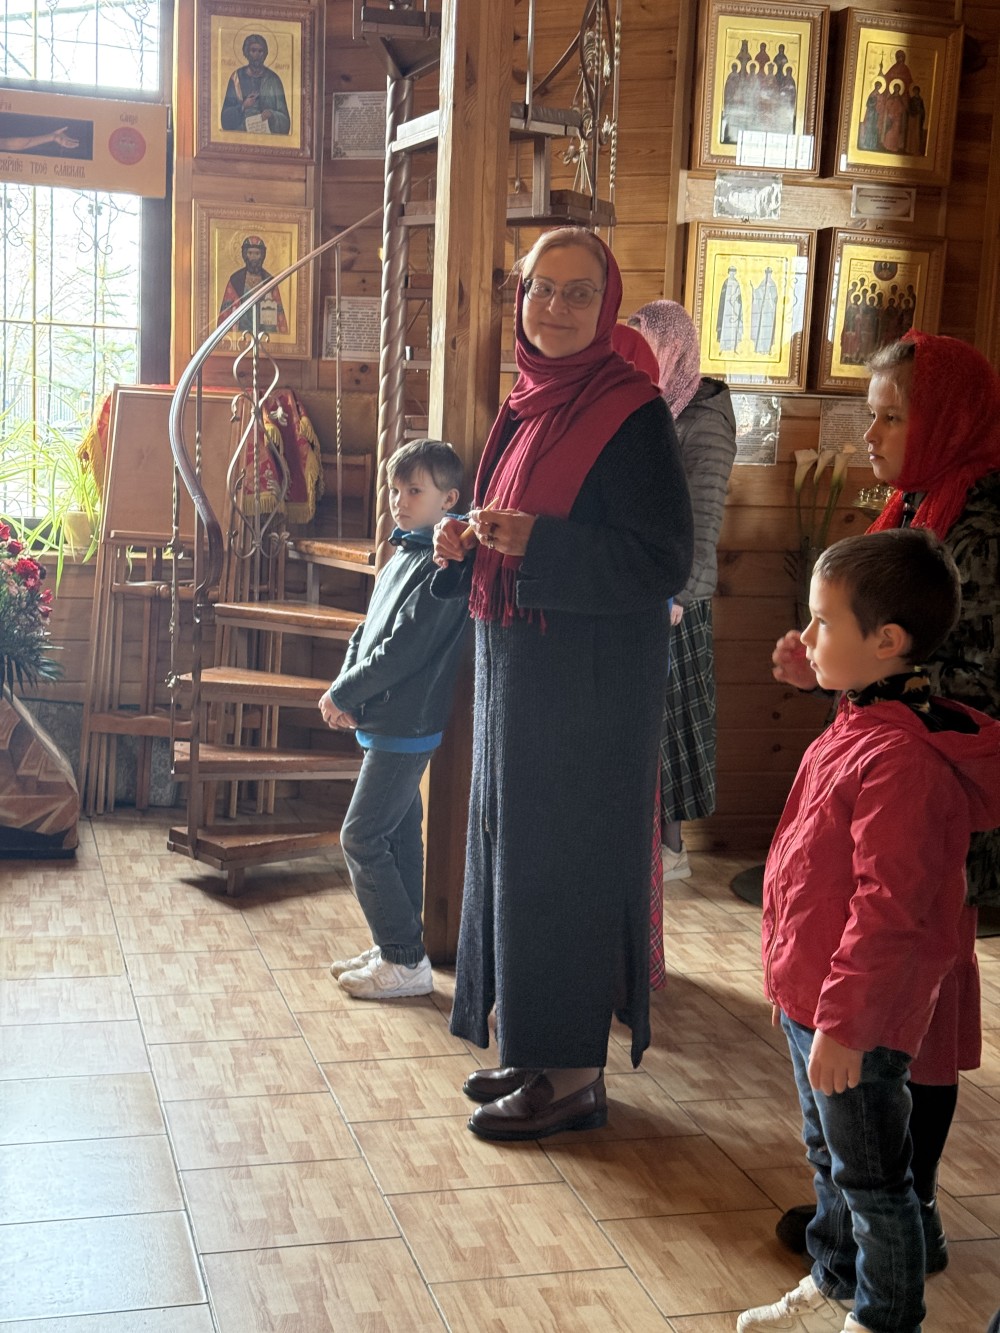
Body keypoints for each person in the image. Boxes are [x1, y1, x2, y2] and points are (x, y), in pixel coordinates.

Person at [432, 226, 693, 1141]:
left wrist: (539, 542)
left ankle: (575, 1077)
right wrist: (465, 537)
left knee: (566, 865)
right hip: (520, 666)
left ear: (607, 305)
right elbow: (508, 515)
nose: (556, 307)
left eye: (580, 292)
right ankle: (535, 1048)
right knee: (515, 857)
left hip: (589, 690)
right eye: (542, 288)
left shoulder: (632, 411)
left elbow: (663, 559)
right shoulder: (526, 397)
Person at [771, 330, 1000, 1269]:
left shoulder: (983, 528)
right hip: (894, 764)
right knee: (901, 1008)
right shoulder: (910, 504)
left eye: (891, 416)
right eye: (872, 415)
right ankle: (862, 1208)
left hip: (942, 789)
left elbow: (960, 682)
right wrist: (824, 669)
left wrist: (862, 681)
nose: (870, 435)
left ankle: (905, 1210)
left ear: (943, 420)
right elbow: (884, 658)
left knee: (920, 1014)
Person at [741, 528, 1000, 1333]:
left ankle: (884, 1317)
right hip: (815, 995)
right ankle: (836, 1277)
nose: (806, 634)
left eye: (822, 622)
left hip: (860, 1014)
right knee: (828, 1156)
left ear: (886, 641)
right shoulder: (865, 717)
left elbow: (890, 909)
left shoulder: (903, 761)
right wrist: (795, 984)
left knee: (875, 1181)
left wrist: (846, 1023)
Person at [319, 440, 470, 1000]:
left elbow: (403, 650)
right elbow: (367, 631)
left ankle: (404, 957)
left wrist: (344, 692)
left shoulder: (443, 565)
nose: (399, 501)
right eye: (394, 489)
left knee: (360, 837)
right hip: (384, 716)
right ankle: (400, 949)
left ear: (449, 499)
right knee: (401, 836)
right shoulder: (404, 552)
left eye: (414, 491)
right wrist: (344, 687)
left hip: (408, 722)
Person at [628, 300, 737, 883]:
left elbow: (705, 517)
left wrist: (678, 598)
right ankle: (655, 846)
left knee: (670, 724)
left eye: (651, 350)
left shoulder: (706, 418)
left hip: (677, 599)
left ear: (674, 351)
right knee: (650, 722)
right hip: (648, 586)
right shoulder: (659, 405)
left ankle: (672, 851)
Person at [220, 33, 290, 135]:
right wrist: (243, 106)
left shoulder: (274, 80)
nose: (257, 55)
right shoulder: (236, 77)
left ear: (265, 54)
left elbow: (285, 122)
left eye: (260, 51)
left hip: (267, 136)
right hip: (241, 135)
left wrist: (272, 115)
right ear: (246, 53)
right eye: (253, 50)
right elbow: (225, 119)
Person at [218, 235, 288, 335]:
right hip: (240, 334)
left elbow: (279, 313)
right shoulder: (235, 280)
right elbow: (226, 311)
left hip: (264, 334)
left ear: (262, 256)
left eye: (257, 253)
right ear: (245, 255)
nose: (253, 257)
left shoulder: (270, 281)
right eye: (250, 253)